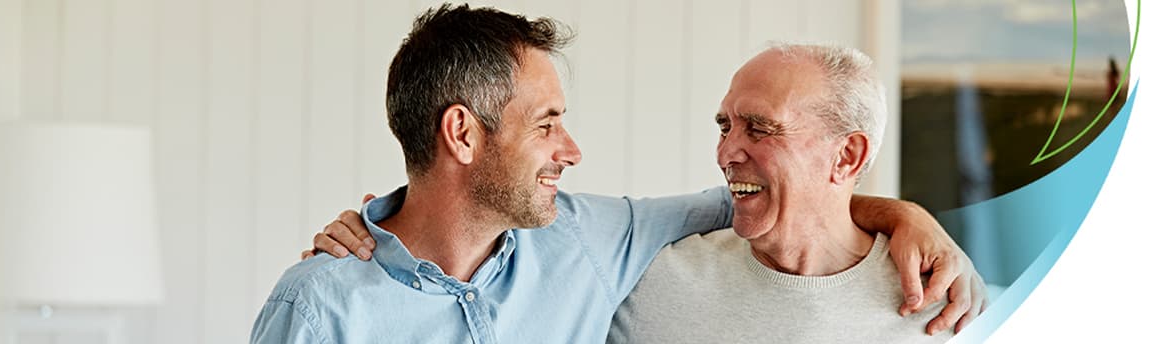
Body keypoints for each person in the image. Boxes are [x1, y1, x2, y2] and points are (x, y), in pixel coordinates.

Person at [260, 4, 983, 343]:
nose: (571, 149)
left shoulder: (590, 241)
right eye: (546, 124)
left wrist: (903, 215)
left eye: (756, 126)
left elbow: (773, 201)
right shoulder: (324, 306)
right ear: (462, 134)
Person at [607, 44, 973, 343]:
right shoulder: (651, 286)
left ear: (846, 156)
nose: (725, 154)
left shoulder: (945, 306)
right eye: (725, 127)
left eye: (759, 129)